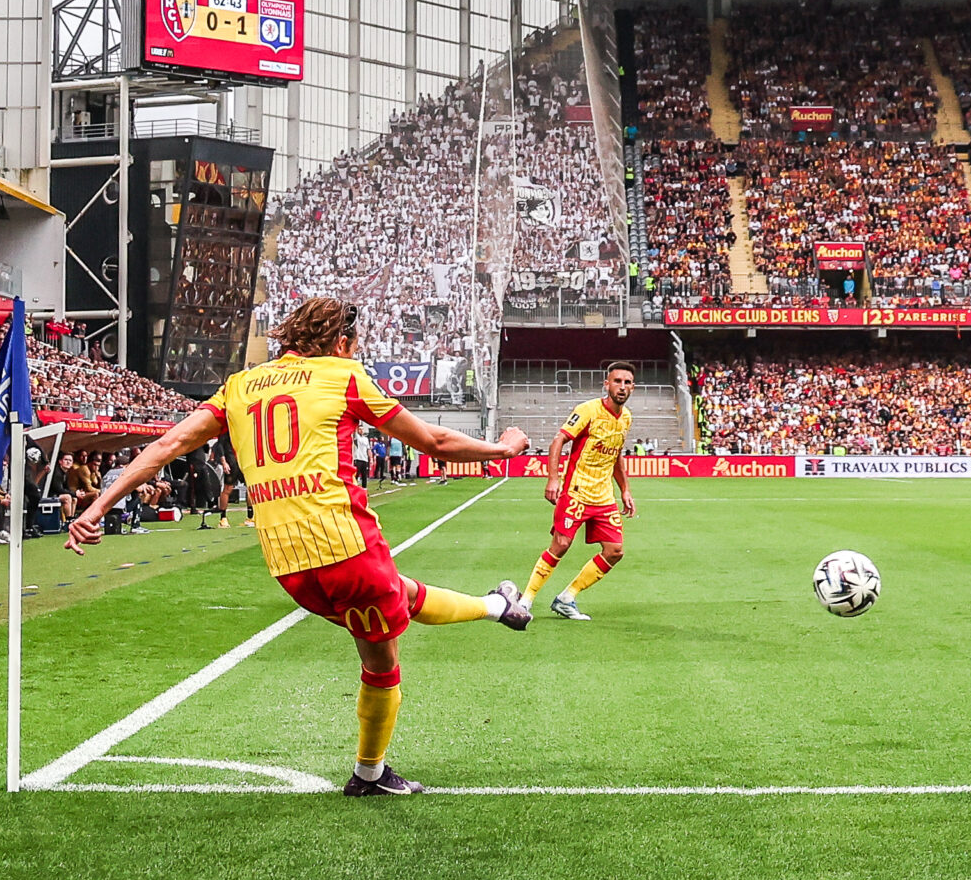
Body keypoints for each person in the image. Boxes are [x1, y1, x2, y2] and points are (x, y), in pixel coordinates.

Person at [66, 297, 535, 796]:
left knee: (399, 596)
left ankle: (497, 607)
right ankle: (370, 773)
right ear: (339, 341)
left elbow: (165, 447)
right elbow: (433, 443)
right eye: (354, 343)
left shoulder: (239, 386)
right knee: (382, 662)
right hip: (345, 545)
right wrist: (501, 449)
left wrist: (97, 508)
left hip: (286, 563)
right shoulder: (343, 375)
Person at [521, 362, 637, 622]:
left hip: (604, 496)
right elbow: (558, 440)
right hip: (576, 491)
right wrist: (553, 479)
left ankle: (566, 598)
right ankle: (525, 601)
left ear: (633, 388)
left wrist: (625, 490)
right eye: (617, 381)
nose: (622, 387)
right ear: (606, 384)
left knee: (615, 551)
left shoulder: (626, 417)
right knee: (560, 545)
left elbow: (616, 453)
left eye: (627, 382)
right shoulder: (587, 411)